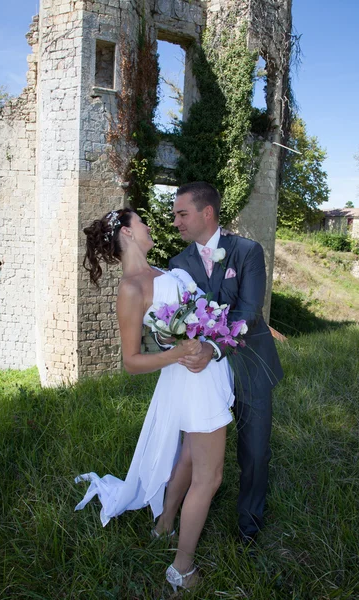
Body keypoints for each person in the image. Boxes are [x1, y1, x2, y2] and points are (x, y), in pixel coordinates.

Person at [75, 207, 236, 592]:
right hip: (191, 381)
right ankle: (182, 568)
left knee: (187, 456)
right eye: (141, 223)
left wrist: (208, 335)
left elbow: (196, 315)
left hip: (202, 370)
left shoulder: (166, 273)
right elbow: (132, 360)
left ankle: (164, 524)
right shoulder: (132, 288)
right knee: (209, 477)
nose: (148, 227)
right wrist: (179, 352)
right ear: (128, 234)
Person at [169, 181, 283, 545]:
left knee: (254, 450)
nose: (175, 222)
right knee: (196, 454)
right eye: (174, 215)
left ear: (207, 213)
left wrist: (214, 349)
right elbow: (177, 320)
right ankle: (186, 512)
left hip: (249, 363)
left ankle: (249, 527)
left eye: (181, 214)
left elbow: (249, 312)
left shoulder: (248, 251)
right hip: (201, 378)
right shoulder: (177, 264)